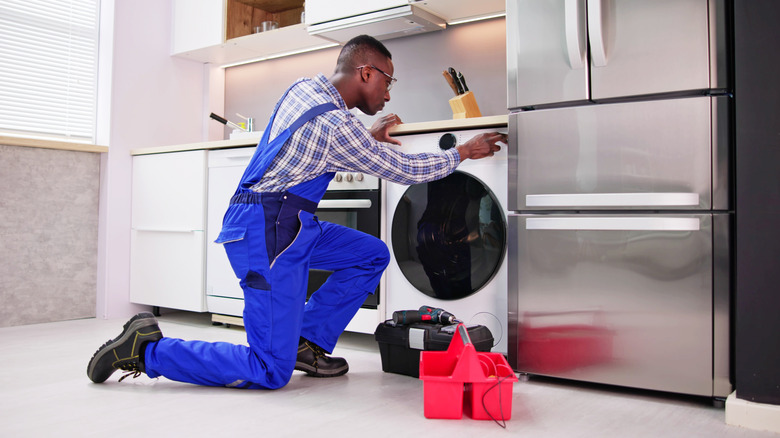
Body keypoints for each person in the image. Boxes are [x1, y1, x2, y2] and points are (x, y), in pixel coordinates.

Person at [87, 34, 507, 389]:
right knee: (270, 370)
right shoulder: (336, 128)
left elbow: (318, 149)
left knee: (371, 255)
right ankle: (147, 350)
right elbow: (403, 169)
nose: (389, 92)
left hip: (290, 223)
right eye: (388, 80)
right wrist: (463, 152)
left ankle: (304, 341)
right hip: (267, 231)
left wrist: (366, 137)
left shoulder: (305, 88)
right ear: (365, 72)